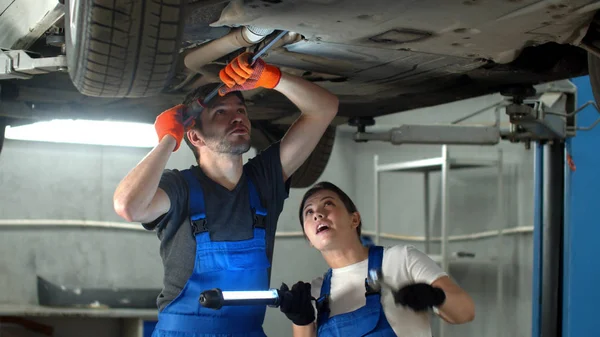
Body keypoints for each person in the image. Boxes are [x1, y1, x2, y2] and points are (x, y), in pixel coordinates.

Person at [112, 52, 339, 336]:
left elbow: (325, 109)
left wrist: (272, 78)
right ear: (195, 137)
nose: (237, 118)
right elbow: (127, 205)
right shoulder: (179, 188)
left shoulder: (264, 179)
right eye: (221, 112)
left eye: (241, 110)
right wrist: (169, 138)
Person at [279, 181, 475, 337]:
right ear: (309, 239)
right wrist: (302, 321)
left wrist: (434, 297)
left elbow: (466, 311)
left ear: (354, 219)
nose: (318, 214)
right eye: (309, 212)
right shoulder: (314, 294)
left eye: (328, 204)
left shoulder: (401, 260)